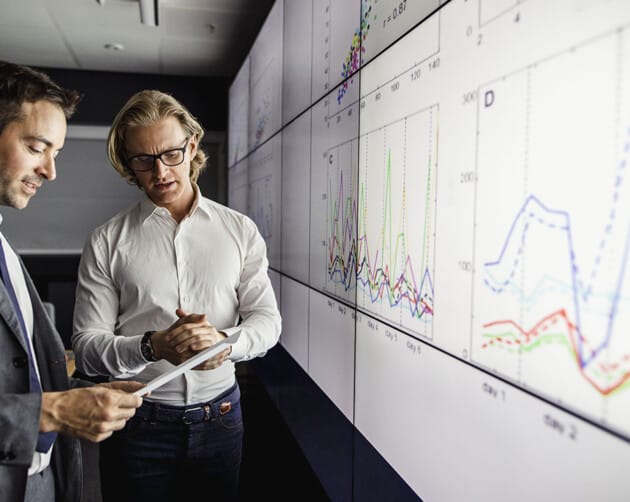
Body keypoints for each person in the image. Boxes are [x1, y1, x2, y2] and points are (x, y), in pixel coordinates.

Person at [71, 89, 282, 501]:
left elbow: (267, 321)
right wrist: (153, 347)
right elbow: (87, 348)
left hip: (221, 418)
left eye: (171, 154)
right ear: (128, 163)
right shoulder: (105, 241)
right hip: (137, 423)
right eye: (144, 160)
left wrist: (225, 344)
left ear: (192, 146)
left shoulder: (239, 230)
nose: (161, 172)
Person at [0, 61, 145, 502]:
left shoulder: (4, 245)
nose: (50, 171)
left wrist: (80, 395)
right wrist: (54, 411)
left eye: (56, 153)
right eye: (36, 147)